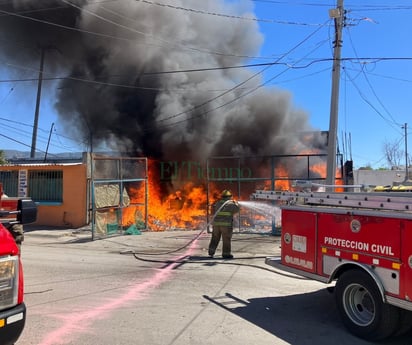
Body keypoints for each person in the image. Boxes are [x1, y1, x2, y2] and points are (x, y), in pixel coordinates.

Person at [208, 189, 240, 259]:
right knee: (226, 239)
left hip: (216, 225)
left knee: (214, 238)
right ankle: (226, 254)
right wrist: (236, 203)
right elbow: (237, 209)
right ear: (229, 196)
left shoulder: (217, 203)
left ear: (222, 196)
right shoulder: (231, 204)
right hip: (226, 225)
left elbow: (213, 211)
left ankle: (211, 251)